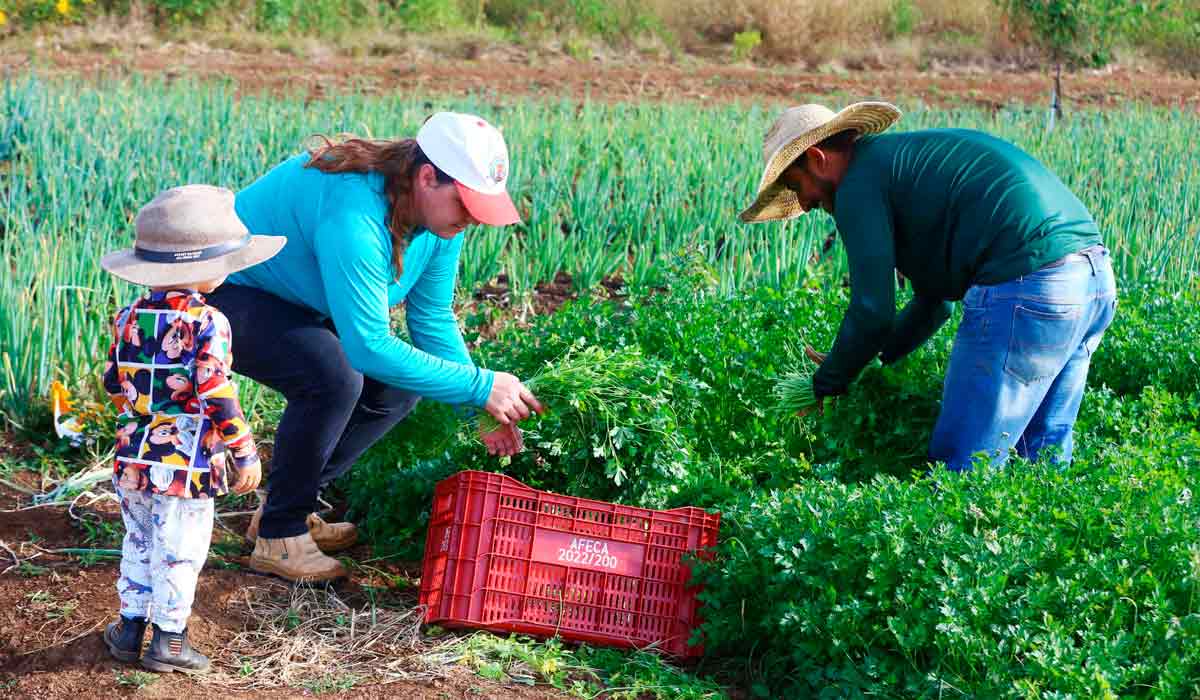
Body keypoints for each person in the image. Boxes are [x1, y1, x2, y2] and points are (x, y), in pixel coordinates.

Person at [205, 112, 543, 582]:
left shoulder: (437, 225)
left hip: (304, 296)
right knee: (334, 377)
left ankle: (287, 509)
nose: (470, 219)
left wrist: (476, 407)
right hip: (229, 292)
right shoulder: (355, 214)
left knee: (396, 389)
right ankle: (279, 537)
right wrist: (479, 383)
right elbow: (366, 347)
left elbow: (431, 317)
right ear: (427, 177)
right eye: (465, 204)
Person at [740, 102, 1117, 471]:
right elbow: (935, 304)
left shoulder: (858, 183)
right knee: (1041, 459)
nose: (804, 203)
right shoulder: (899, 167)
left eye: (796, 184)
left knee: (966, 467)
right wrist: (872, 360)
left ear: (818, 159)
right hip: (1092, 281)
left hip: (1030, 287)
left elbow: (872, 310)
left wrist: (829, 380)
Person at [99, 185, 285, 673]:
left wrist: (145, 412)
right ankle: (170, 641)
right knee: (181, 550)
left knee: (138, 541)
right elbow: (215, 390)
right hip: (188, 462)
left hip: (134, 457)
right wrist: (243, 450)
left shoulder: (128, 317)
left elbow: (113, 382)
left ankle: (128, 629)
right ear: (205, 268)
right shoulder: (209, 321)